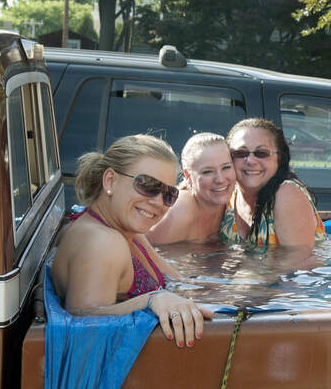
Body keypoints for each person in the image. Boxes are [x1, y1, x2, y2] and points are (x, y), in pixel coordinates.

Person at [51, 134, 213, 347]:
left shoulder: (128, 232)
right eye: (147, 185)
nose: (158, 202)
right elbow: (82, 323)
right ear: (110, 180)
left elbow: (179, 282)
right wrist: (152, 300)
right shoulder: (102, 242)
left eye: (168, 194)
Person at [221, 118, 325, 248]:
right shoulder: (227, 195)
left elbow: (299, 259)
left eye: (261, 153)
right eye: (240, 153)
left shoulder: (287, 193)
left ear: (279, 158)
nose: (251, 161)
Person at [147, 133, 235, 245]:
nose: (220, 179)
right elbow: (138, 250)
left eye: (226, 167)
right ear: (188, 176)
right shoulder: (178, 212)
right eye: (207, 171)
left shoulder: (236, 203)